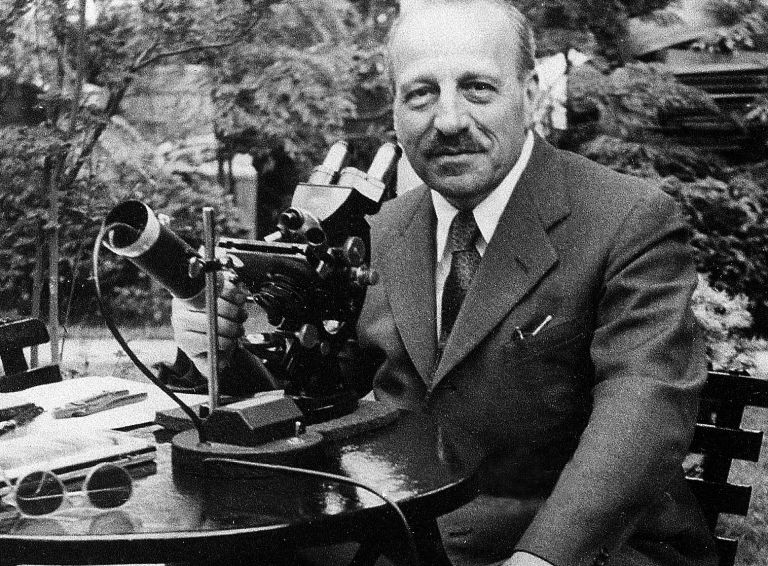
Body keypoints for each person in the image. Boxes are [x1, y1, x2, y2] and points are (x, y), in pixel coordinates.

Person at [172, 1, 718, 565]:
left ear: (530, 94)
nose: (449, 120)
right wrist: (219, 351)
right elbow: (317, 404)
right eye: (421, 94)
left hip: (581, 548)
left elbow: (642, 408)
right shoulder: (386, 230)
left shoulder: (626, 219)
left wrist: (539, 559)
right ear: (395, 109)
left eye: (478, 88)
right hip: (408, 538)